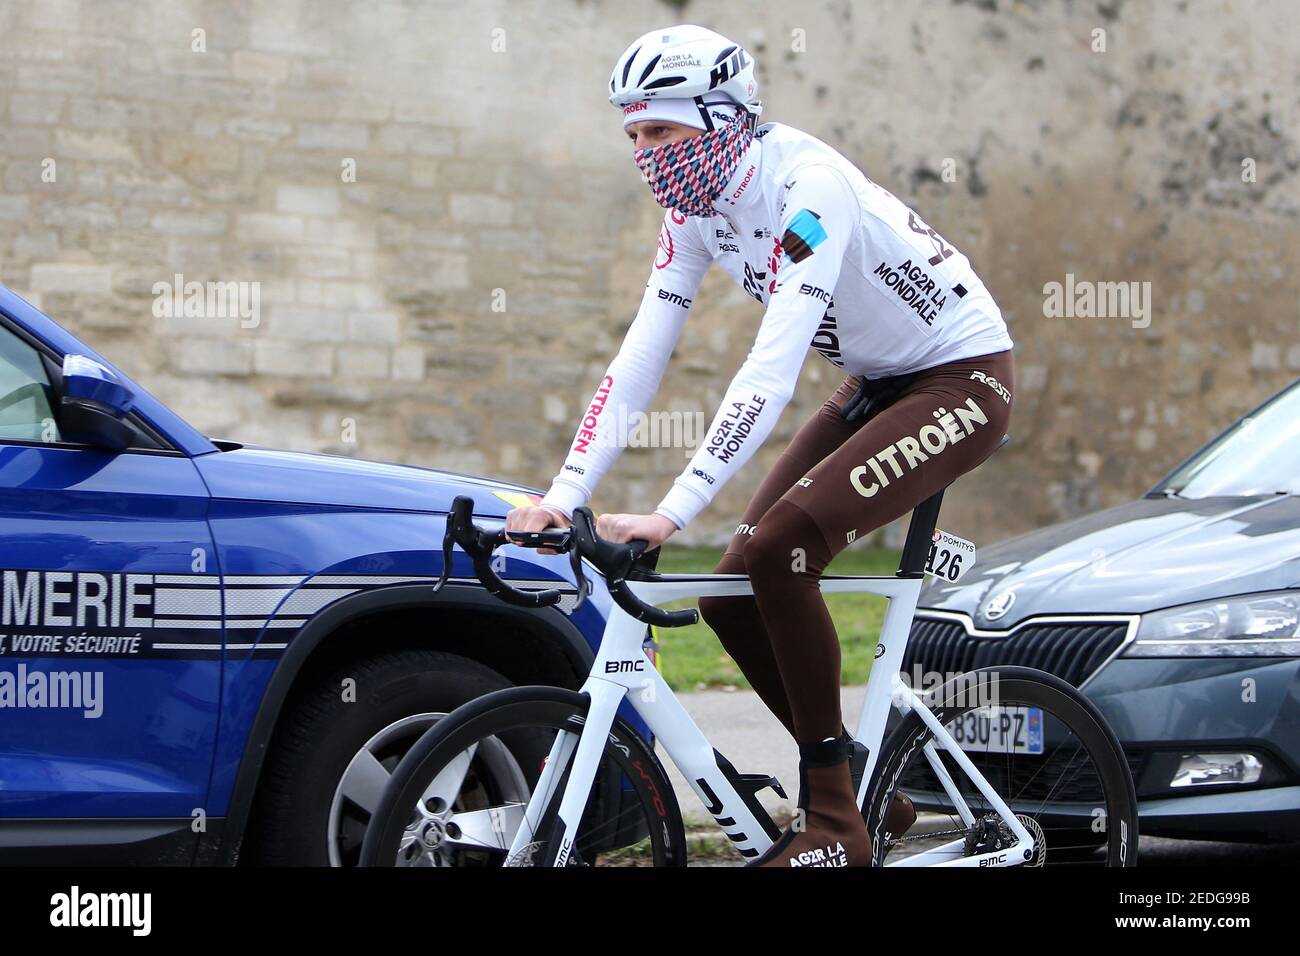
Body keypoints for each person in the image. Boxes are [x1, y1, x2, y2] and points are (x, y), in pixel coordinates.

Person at [505, 24, 1014, 867]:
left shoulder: (807, 190)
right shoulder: (695, 210)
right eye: (632, 133)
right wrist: (563, 494)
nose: (646, 153)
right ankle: (858, 790)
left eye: (660, 130)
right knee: (729, 591)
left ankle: (835, 825)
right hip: (876, 383)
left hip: (960, 381)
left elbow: (768, 373)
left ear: (721, 116)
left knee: (779, 550)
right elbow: (641, 357)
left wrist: (672, 512)